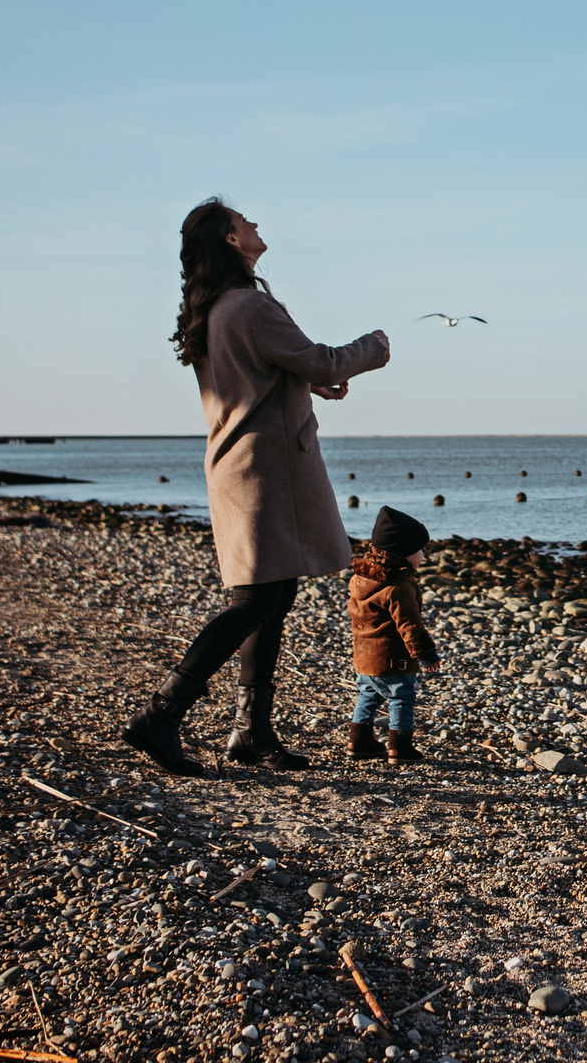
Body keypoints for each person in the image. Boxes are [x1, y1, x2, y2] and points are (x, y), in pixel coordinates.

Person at [122, 198, 389, 776]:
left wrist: (306, 386)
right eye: (246, 222)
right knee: (256, 599)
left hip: (240, 464)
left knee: (274, 593)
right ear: (230, 241)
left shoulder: (217, 307)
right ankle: (162, 714)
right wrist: (374, 348)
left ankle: (251, 730)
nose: (257, 225)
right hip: (265, 471)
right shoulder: (250, 306)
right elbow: (320, 358)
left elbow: (260, 370)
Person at [345, 505, 440, 764]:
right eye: (420, 550)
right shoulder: (399, 587)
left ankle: (359, 742)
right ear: (405, 553)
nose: (423, 556)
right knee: (402, 696)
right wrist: (426, 655)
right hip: (392, 657)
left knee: (368, 693)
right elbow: (410, 626)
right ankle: (400, 747)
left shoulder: (360, 579)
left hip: (364, 657)